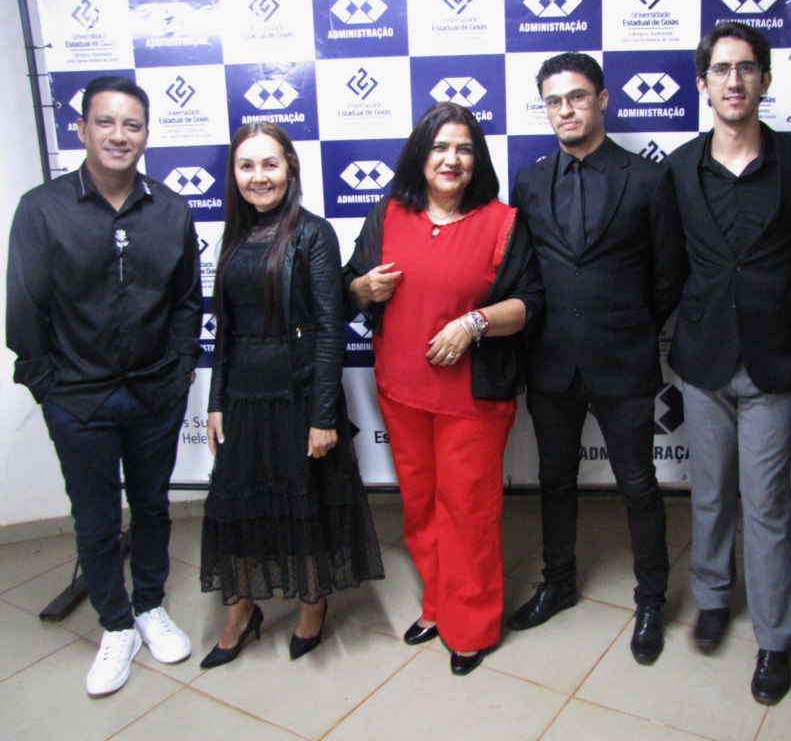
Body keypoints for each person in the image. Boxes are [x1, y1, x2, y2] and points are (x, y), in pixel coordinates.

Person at [6, 76, 200, 695]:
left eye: (132, 124)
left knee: (151, 507)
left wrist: (179, 370)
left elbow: (186, 302)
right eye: (106, 122)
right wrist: (48, 386)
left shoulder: (170, 209)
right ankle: (116, 625)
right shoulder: (42, 208)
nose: (120, 135)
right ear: (82, 129)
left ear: (146, 134)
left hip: (154, 394)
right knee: (94, 519)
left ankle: (149, 606)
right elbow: (24, 308)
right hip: (78, 399)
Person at [658, 22, 791, 703]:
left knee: (766, 504)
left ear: (765, 79)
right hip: (703, 360)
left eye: (746, 68)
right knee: (709, 492)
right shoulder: (679, 168)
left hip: (774, 361)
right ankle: (711, 595)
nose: (734, 80)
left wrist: (768, 293)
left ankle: (774, 636)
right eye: (721, 69)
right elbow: (674, 262)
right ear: (703, 85)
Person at [344, 102, 542, 676]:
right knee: (422, 508)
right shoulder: (387, 214)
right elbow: (350, 286)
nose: (451, 159)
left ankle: (471, 627)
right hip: (401, 393)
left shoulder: (503, 222)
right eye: (439, 147)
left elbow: (530, 303)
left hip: (471, 402)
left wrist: (473, 323)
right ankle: (437, 605)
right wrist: (362, 287)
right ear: (420, 155)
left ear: (477, 159)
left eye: (463, 149)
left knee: (469, 513)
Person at [506, 52, 682, 665]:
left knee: (639, 485)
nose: (566, 110)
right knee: (555, 481)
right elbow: (524, 271)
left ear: (602, 100)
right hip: (551, 360)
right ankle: (558, 583)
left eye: (577, 97)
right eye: (554, 101)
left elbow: (669, 274)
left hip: (623, 359)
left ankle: (651, 600)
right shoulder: (528, 181)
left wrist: (626, 326)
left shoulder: (648, 179)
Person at [199, 122, 384, 668]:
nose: (259, 176)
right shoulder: (233, 235)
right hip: (242, 398)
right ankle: (241, 610)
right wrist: (215, 402)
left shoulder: (313, 234)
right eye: (246, 166)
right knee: (237, 505)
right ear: (234, 174)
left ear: (290, 169)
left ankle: (312, 602)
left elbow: (329, 328)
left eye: (270, 164)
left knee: (306, 503)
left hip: (300, 396)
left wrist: (323, 416)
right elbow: (226, 330)